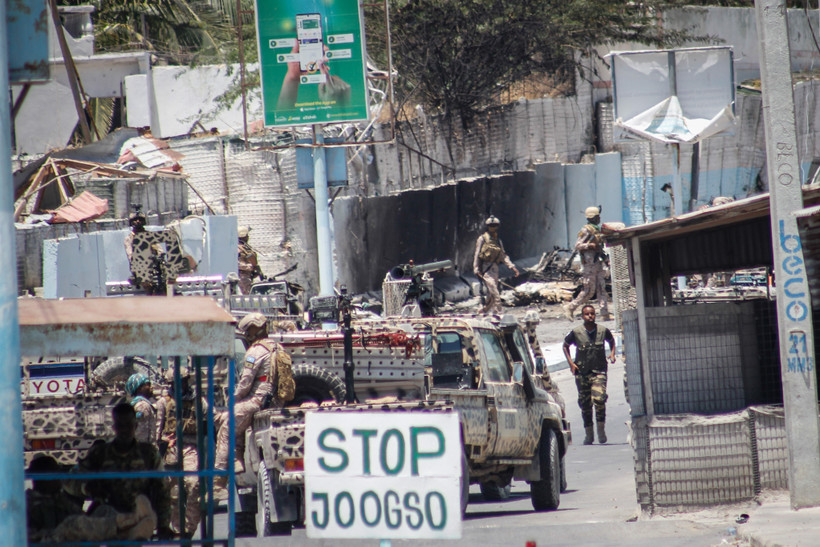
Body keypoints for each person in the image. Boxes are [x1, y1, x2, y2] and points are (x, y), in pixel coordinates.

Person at [64, 402, 173, 539]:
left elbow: (162, 490)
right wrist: (87, 488)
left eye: (129, 425)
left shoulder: (148, 454)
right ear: (114, 428)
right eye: (121, 426)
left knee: (143, 504)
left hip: (139, 515)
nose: (125, 430)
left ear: (136, 426)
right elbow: (69, 481)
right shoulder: (100, 454)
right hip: (109, 517)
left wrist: (163, 524)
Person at [215, 313, 295, 486]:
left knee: (228, 423)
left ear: (253, 330)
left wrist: (234, 399)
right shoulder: (277, 347)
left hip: (258, 400)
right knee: (237, 421)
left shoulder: (256, 351)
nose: (246, 334)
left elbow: (245, 382)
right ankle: (237, 461)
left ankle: (219, 476)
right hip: (274, 400)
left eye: (247, 331)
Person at [162, 372, 209, 538]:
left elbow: (209, 424)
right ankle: (175, 529)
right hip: (170, 449)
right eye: (176, 383)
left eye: (182, 382)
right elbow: (156, 430)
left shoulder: (198, 401)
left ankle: (188, 529)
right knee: (173, 491)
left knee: (193, 483)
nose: (180, 385)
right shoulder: (164, 402)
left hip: (190, 447)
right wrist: (164, 441)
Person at [563, 305, 617, 445]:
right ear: (582, 316)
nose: (590, 316)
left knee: (599, 399)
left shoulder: (602, 331)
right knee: (585, 404)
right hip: (582, 373)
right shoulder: (576, 332)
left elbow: (611, 341)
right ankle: (589, 434)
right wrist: (571, 363)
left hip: (599, 371)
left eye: (592, 314)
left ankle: (601, 430)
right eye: (587, 314)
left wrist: (612, 354)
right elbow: (565, 345)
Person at [564, 206, 611, 321]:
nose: (599, 218)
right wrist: (589, 245)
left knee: (601, 288)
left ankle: (604, 313)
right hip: (589, 265)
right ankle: (570, 307)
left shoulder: (596, 230)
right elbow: (577, 245)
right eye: (598, 216)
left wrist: (606, 260)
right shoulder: (586, 230)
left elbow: (599, 249)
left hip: (597, 263)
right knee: (589, 291)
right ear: (594, 217)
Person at [473, 216, 519, 314]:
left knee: (491, 293)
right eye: (491, 226)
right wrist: (476, 268)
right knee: (494, 290)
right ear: (487, 226)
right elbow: (477, 254)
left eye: (494, 226)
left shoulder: (498, 240)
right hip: (486, 268)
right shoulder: (482, 239)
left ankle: (485, 310)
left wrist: (512, 267)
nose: (493, 227)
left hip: (495, 268)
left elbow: (503, 255)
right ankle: (499, 309)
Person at [126, 372, 157, 445]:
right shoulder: (142, 406)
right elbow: (141, 433)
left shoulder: (139, 404)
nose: (151, 387)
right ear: (139, 388)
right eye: (148, 385)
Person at [237, 225, 263, 295]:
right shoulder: (238, 249)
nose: (248, 237)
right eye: (247, 235)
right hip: (242, 276)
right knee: (250, 296)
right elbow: (236, 264)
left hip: (246, 275)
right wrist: (250, 267)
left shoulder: (244, 247)